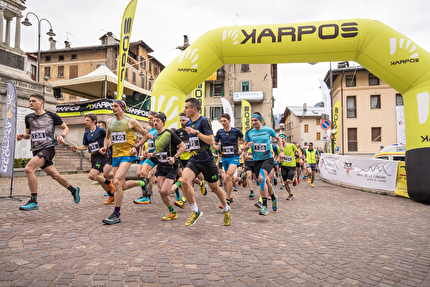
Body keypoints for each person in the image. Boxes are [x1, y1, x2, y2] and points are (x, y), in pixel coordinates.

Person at [16, 94, 80, 211]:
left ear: (41, 103)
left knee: (28, 168)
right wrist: (22, 136)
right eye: (29, 101)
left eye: (33, 101)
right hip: (36, 150)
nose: (30, 103)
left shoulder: (51, 116)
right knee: (55, 175)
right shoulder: (28, 118)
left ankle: (33, 201)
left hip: (48, 148)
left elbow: (65, 127)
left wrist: (62, 136)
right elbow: (28, 135)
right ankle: (73, 190)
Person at [181, 98, 231, 227]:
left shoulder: (203, 121)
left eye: (186, 108)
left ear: (194, 109)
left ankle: (226, 208)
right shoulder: (189, 124)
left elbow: (211, 141)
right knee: (184, 181)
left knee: (215, 188)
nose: (184, 110)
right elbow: (196, 142)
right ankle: (195, 210)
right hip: (194, 159)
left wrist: (196, 132)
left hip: (207, 160)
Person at [100, 100, 150, 224]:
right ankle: (142, 183)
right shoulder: (109, 122)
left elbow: (146, 135)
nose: (113, 108)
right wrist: (105, 146)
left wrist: (136, 147)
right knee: (121, 186)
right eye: (112, 106)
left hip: (127, 155)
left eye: (116, 106)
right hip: (115, 156)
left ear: (122, 108)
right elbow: (107, 137)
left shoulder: (131, 121)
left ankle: (116, 214)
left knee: (116, 181)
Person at [147, 112, 186, 220]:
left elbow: (182, 146)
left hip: (171, 167)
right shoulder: (155, 136)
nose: (155, 123)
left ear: (163, 122)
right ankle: (172, 212)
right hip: (161, 166)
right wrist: (150, 154)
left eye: (158, 121)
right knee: (161, 191)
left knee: (165, 191)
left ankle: (179, 182)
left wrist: (175, 157)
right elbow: (157, 151)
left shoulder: (169, 133)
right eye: (154, 121)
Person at [244, 112, 283, 216]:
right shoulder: (249, 132)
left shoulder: (268, 130)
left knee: (261, 178)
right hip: (256, 160)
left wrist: (281, 151)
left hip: (268, 159)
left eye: (255, 120)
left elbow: (278, 138)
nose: (253, 122)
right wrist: (246, 147)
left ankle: (264, 206)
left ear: (259, 120)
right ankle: (274, 198)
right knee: (265, 182)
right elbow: (244, 147)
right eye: (252, 120)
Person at [70, 114, 115, 205]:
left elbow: (109, 140)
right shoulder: (86, 133)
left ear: (94, 121)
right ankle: (111, 196)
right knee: (99, 179)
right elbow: (85, 147)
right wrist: (77, 148)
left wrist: (104, 148)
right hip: (93, 157)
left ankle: (109, 182)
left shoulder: (101, 130)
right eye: (85, 120)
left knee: (92, 176)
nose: (86, 122)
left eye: (88, 120)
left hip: (101, 156)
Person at [173, 112, 207, 209]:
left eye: (183, 120)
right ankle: (200, 183)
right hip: (180, 158)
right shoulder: (178, 132)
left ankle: (184, 199)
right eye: (180, 120)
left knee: (191, 177)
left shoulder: (193, 130)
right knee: (182, 176)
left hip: (191, 157)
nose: (181, 122)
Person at [213, 113, 244, 207]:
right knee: (226, 179)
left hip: (234, 156)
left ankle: (227, 200)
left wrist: (241, 150)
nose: (223, 123)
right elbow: (214, 143)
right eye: (221, 121)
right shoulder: (219, 132)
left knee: (229, 176)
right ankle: (240, 179)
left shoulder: (236, 131)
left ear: (229, 121)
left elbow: (244, 140)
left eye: (224, 121)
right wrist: (216, 147)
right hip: (224, 157)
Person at [134, 111, 159, 204]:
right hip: (151, 156)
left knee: (162, 184)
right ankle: (146, 196)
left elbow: (161, 145)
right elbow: (143, 142)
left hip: (160, 157)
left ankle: (176, 188)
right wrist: (137, 148)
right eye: (148, 118)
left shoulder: (159, 131)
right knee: (143, 173)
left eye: (151, 118)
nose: (149, 120)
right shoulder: (149, 131)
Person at [279, 134, 297, 200]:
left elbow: (297, 151)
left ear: (285, 139)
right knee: (285, 182)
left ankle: (294, 178)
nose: (281, 140)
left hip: (291, 166)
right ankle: (290, 194)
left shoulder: (291, 145)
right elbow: (279, 156)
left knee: (289, 181)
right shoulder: (280, 149)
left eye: (282, 138)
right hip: (284, 166)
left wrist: (300, 158)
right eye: (280, 138)